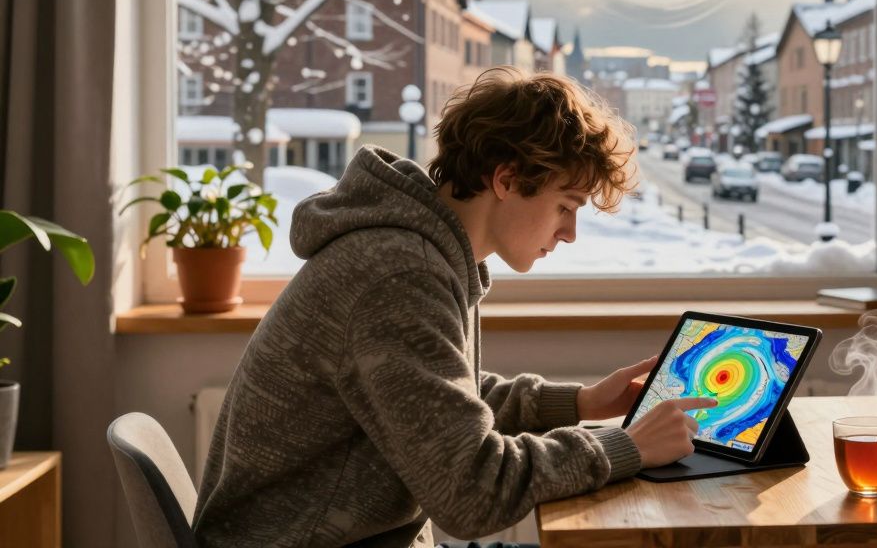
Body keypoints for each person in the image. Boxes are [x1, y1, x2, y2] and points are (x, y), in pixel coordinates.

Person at [192, 67, 716, 547]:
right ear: (506, 180)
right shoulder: (399, 275)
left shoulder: (415, 254)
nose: (570, 233)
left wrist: (579, 403)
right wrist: (626, 447)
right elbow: (472, 491)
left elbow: (436, 403)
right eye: (565, 206)